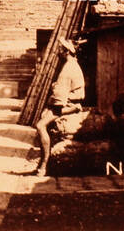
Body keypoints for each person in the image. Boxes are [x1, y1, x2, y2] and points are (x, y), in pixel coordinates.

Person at [33, 36, 86, 181]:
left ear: (66, 52)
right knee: (46, 122)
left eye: (61, 49)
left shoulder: (68, 69)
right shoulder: (72, 65)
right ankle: (43, 163)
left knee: (40, 125)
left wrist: (49, 109)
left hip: (71, 105)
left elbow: (59, 97)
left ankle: (43, 165)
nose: (59, 51)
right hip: (67, 102)